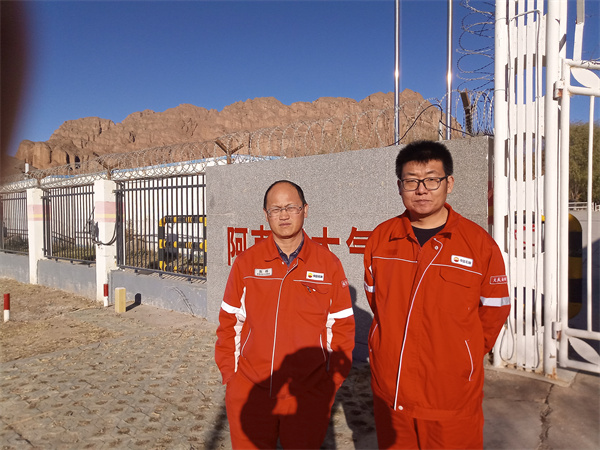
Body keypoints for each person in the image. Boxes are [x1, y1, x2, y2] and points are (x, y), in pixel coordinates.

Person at [363, 140, 510, 449]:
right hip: (392, 387)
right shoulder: (381, 239)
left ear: (449, 183)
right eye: (411, 181)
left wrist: (463, 354)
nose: (422, 190)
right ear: (399, 186)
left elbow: (494, 309)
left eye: (432, 179)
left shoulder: (478, 244)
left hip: (451, 393)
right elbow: (376, 301)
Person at [215, 180, 355, 449]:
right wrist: (231, 377)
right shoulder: (247, 262)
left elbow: (341, 328)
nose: (284, 215)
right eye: (275, 209)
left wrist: (331, 382)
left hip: (307, 395)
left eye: (291, 207)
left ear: (305, 210)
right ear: (265, 214)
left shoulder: (328, 264)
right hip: (251, 390)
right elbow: (230, 321)